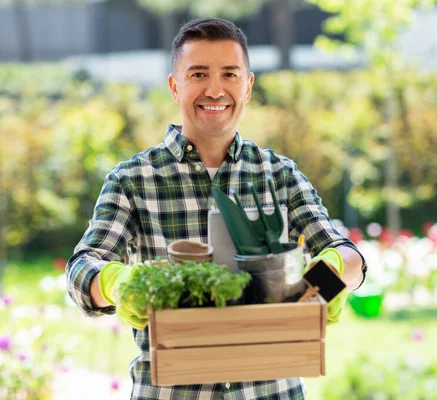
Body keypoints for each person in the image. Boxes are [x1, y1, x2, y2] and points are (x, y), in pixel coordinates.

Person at [66, 17, 367, 400]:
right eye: (198, 74)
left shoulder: (279, 175)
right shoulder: (133, 180)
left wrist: (332, 275)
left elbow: (349, 257)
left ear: (248, 86)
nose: (215, 89)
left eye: (229, 74)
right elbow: (81, 269)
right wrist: (115, 284)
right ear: (175, 87)